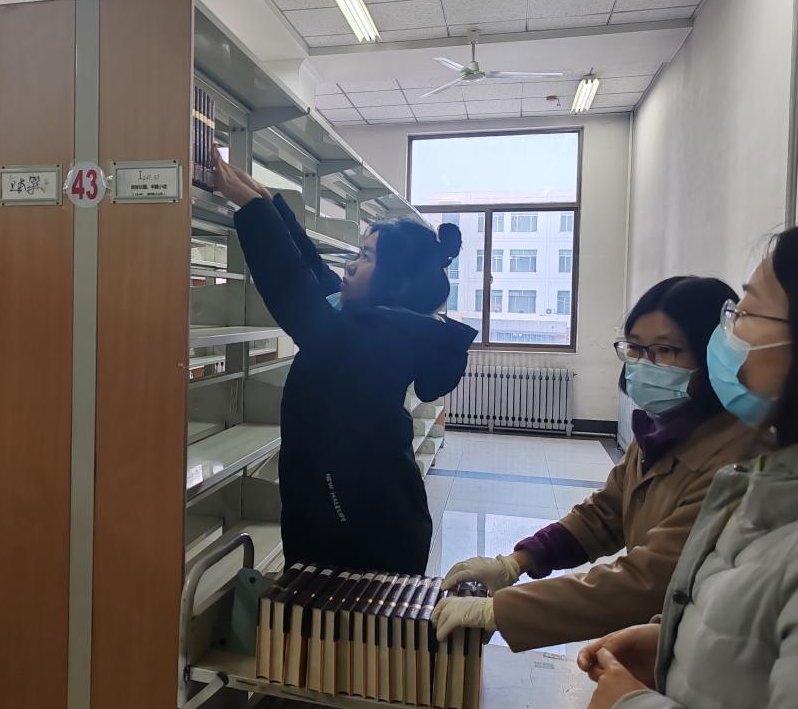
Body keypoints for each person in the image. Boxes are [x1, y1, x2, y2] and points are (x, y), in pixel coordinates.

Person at [432, 276, 757, 652]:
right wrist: (517, 562)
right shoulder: (660, 430)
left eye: (664, 350)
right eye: (634, 348)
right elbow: (604, 514)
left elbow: (645, 583)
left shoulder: (735, 460)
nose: (643, 364)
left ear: (712, 355)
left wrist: (500, 612)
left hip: (706, 650)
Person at [212, 146, 476, 576]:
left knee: (344, 615)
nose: (351, 266)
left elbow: (292, 288)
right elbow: (315, 273)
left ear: (397, 282)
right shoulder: (373, 320)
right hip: (353, 509)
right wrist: (269, 203)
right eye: (357, 253)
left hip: (358, 524)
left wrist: (255, 210)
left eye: (366, 257)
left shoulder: (376, 338)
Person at [576, 226, 797, 709]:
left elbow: (647, 576)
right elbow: (740, 624)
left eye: (744, 314)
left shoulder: (740, 459)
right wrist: (671, 639)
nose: (729, 337)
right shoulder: (765, 479)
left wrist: (631, 703)